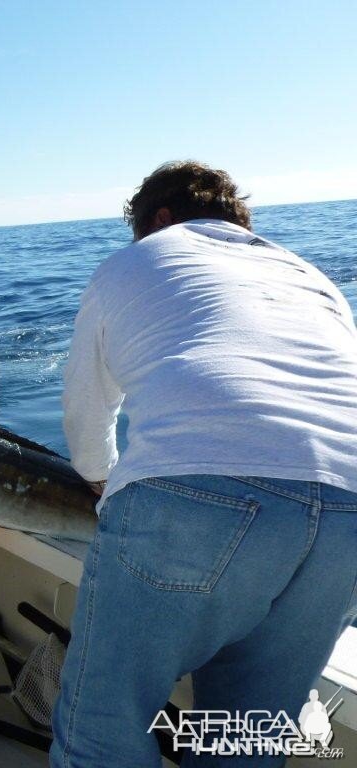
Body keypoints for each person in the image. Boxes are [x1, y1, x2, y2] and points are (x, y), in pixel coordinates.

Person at [55, 160, 357, 767]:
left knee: (103, 727)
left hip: (202, 488)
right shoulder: (308, 274)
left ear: (159, 219)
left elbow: (87, 409)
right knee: (248, 734)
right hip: (349, 507)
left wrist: (100, 477)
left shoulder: (139, 259)